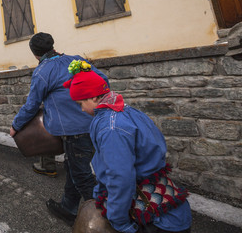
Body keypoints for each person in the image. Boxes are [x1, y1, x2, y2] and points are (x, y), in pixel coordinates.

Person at [64, 60, 192, 233]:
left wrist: (120, 222)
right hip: (172, 208)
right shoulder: (127, 110)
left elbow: (120, 178)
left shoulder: (111, 128)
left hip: (160, 223)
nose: (81, 109)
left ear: (93, 97)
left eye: (80, 103)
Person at [9, 32, 108, 226]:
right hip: (92, 123)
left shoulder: (43, 71)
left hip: (73, 130)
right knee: (73, 167)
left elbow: (31, 105)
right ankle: (68, 208)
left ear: (35, 54)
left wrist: (15, 126)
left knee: (82, 175)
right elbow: (103, 79)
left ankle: (105, 220)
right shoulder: (76, 60)